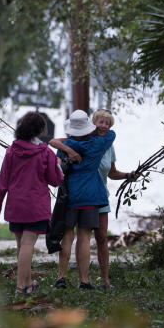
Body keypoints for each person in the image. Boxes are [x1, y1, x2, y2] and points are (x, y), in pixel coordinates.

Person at [0, 112, 64, 296]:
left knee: (21, 246)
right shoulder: (45, 152)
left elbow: (2, 182)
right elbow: (55, 180)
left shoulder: (11, 151)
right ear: (39, 130)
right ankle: (22, 287)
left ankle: (27, 281)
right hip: (35, 206)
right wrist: (58, 164)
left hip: (15, 205)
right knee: (28, 245)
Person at [47, 110, 119, 290]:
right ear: (90, 125)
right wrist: (95, 131)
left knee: (68, 236)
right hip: (91, 196)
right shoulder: (100, 143)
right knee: (85, 237)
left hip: (71, 195)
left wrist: (69, 149)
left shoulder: (67, 145)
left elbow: (57, 164)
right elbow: (111, 133)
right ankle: (84, 281)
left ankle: (61, 277)